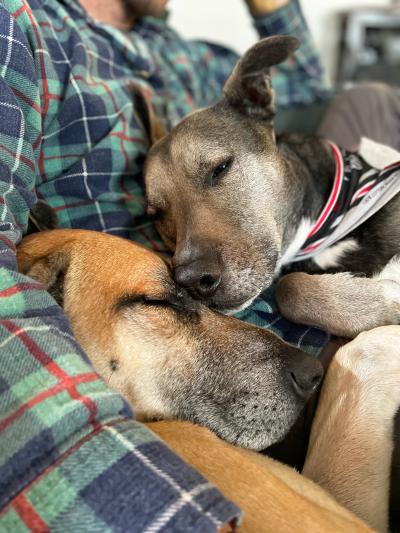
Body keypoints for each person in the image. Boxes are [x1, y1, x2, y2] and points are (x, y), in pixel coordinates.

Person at [0, 0, 329, 529]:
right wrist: (137, 499)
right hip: (192, 353)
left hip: (295, 311)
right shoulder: (23, 29)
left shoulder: (184, 55)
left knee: (370, 99)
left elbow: (309, 84)